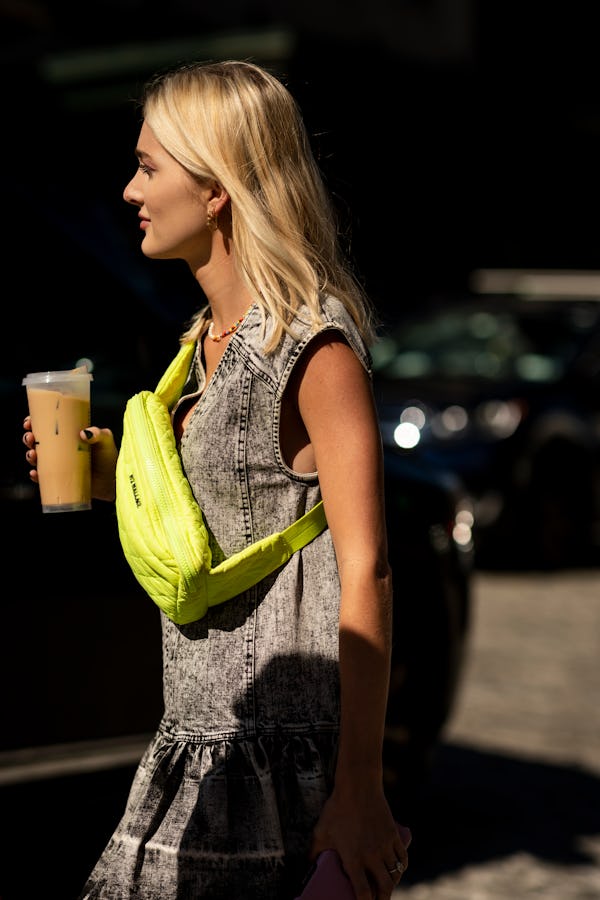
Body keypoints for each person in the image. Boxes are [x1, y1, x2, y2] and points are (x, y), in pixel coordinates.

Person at [22, 59, 409, 900]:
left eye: (148, 167)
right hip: (196, 743)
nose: (129, 190)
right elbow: (229, 518)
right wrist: (109, 477)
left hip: (275, 765)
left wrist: (360, 790)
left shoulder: (313, 346)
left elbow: (368, 569)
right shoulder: (199, 346)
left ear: (215, 190)